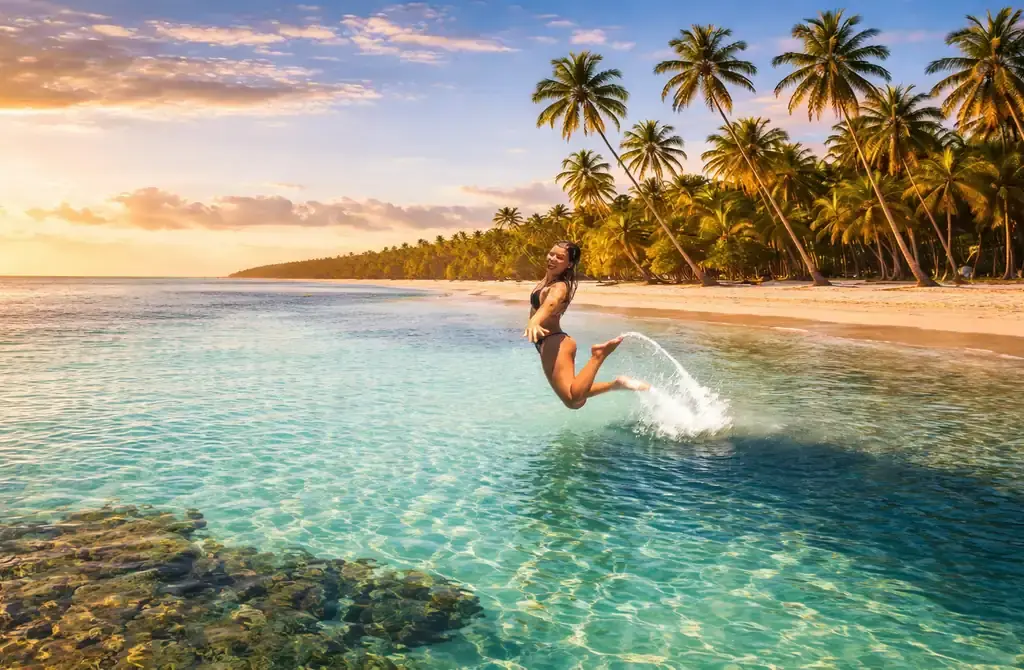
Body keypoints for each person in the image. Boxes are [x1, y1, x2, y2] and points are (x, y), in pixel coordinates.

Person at [523, 241, 649, 409]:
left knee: (574, 400)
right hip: (548, 343)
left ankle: (598, 355)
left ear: (569, 264)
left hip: (555, 342)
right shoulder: (547, 280)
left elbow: (551, 303)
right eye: (551, 254)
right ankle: (617, 384)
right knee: (573, 399)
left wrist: (534, 320)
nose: (552, 258)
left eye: (559, 257)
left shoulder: (559, 286)